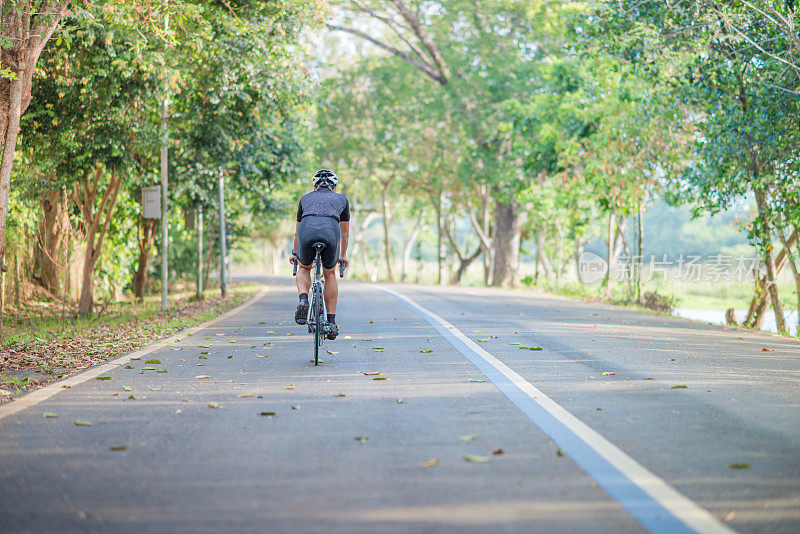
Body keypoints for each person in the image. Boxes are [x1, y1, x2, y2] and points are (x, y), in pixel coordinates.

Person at [290, 169, 350, 339]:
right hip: (330, 232)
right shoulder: (342, 200)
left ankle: (303, 299)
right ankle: (331, 323)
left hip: (306, 231)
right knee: (329, 273)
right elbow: (344, 234)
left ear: (315, 188)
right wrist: (343, 256)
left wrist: (295, 253)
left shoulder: (305, 199)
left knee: (304, 267)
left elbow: (296, 233)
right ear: (335, 188)